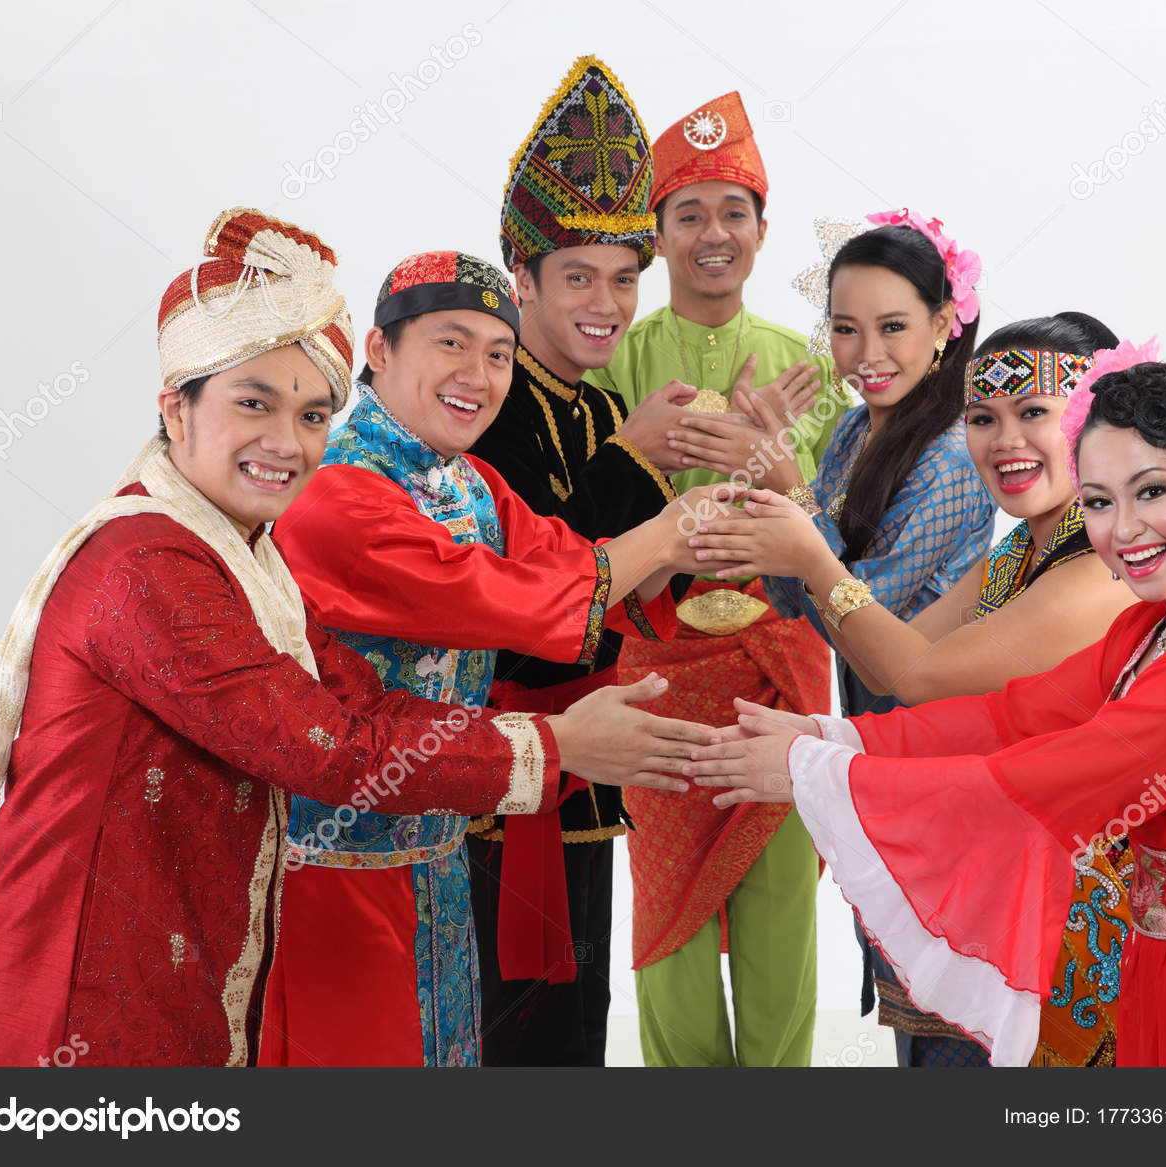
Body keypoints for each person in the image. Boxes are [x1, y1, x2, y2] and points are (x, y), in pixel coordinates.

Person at [0, 208, 712, 1067]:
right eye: (253, 403)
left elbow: (364, 682)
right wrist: (558, 741)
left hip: (387, 855)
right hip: (151, 950)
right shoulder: (159, 560)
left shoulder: (251, 547)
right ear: (176, 406)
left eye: (312, 414)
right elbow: (336, 744)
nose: (287, 441)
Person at [687, 297, 1166, 1066]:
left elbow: (1026, 784)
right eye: (1099, 501)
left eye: (1153, 491)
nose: (1123, 529)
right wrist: (837, 734)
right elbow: (1013, 716)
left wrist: (815, 772)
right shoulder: (1157, 626)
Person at [265, 244, 717, 1067]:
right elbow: (498, 597)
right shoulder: (336, 486)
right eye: (450, 342)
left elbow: (563, 553)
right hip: (339, 853)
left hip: (437, 844)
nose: (477, 372)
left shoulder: (466, 480)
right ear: (379, 350)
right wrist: (666, 529)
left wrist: (708, 536)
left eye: (499, 353)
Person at [693, 311, 1138, 1065]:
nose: (1006, 442)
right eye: (982, 417)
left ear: (1092, 423)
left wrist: (811, 551)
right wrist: (814, 736)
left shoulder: (1104, 570)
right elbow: (887, 663)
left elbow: (914, 675)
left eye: (1034, 412)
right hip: (993, 882)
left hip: (1081, 913)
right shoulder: (1013, 559)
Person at [586, 88, 845, 1068]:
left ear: (763, 230)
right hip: (655, 677)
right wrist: (629, 444)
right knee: (668, 924)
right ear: (655, 235)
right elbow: (573, 521)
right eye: (688, 213)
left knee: (781, 913)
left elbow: (836, 537)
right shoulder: (617, 359)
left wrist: (783, 466)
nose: (713, 233)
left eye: (733, 211)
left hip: (776, 671)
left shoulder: (804, 367)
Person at [463, 53, 689, 1066]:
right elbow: (546, 584)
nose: (607, 301)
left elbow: (632, 590)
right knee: (508, 1031)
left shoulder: (597, 405)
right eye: (577, 278)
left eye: (624, 277)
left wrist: (736, 504)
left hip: (593, 768)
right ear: (521, 279)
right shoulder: (481, 403)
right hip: (497, 773)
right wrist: (641, 459)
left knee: (579, 1029)